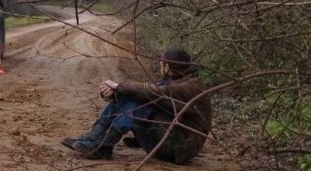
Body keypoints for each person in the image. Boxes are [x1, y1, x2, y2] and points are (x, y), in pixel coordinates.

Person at [61, 47, 213, 164]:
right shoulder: (180, 81)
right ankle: (95, 139)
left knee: (140, 101)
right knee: (134, 96)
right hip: (173, 142)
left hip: (176, 150)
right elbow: (144, 91)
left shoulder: (190, 87)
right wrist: (116, 92)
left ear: (167, 66)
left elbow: (153, 92)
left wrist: (119, 86)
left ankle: (102, 146)